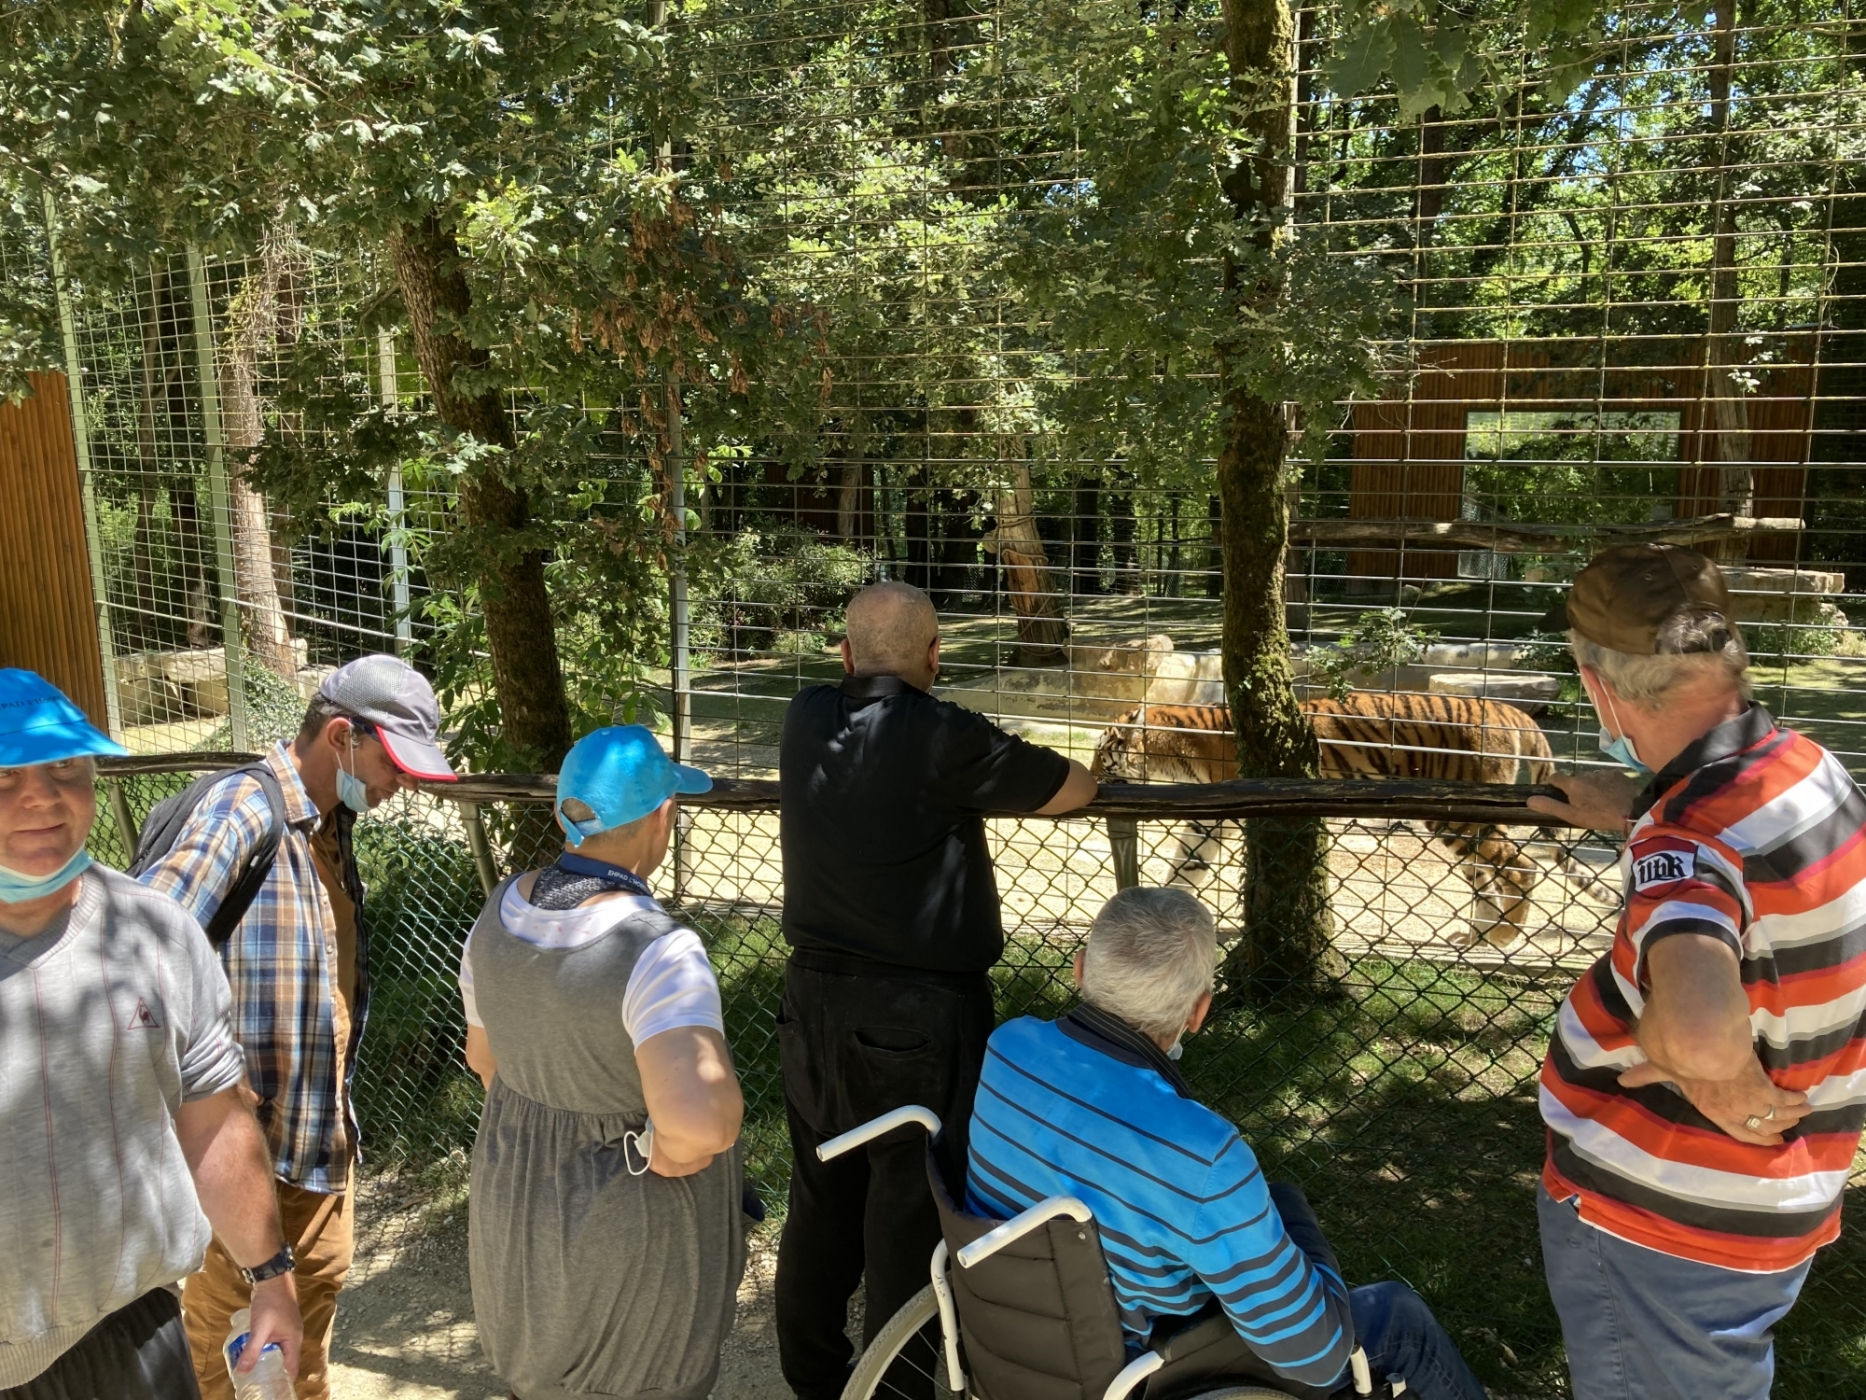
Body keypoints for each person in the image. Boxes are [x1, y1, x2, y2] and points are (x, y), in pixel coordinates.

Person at [1526, 543, 1866, 1400]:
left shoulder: (1689, 846)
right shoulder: (1810, 772)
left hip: (1659, 1222)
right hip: (1772, 1199)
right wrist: (1645, 809)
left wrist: (1715, 1074)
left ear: (1600, 686)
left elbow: (1699, 1026)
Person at [774, 579, 1100, 1400]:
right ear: (934, 658)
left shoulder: (805, 716)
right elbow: (1075, 786)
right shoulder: (944, 735)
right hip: (916, 1016)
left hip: (809, 1003)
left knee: (819, 1197)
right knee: (908, 1215)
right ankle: (898, 1389)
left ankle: (814, 1381)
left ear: (843, 656)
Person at [136, 654, 456, 1400]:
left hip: (314, 1145)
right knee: (224, 1350)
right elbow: (139, 959)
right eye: (393, 762)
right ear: (341, 735)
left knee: (297, 1344)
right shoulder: (248, 812)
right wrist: (215, 1087)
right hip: (244, 1161)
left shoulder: (327, 822)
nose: (399, 782)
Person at [0, 669, 304, 1399]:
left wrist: (271, 1278)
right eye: (6, 774)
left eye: (65, 766)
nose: (41, 796)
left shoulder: (155, 933)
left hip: (134, 1333)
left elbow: (213, 1122)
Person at [459, 725, 747, 1400]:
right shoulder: (658, 951)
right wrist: (661, 1144)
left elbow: (484, 1059)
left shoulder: (497, 913)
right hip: (628, 1239)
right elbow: (700, 1125)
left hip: (516, 1209)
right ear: (661, 818)